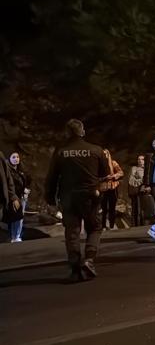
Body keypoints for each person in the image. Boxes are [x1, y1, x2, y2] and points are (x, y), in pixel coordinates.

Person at [45, 119, 109, 282]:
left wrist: (50, 198)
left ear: (68, 133)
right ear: (82, 132)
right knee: (95, 227)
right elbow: (105, 173)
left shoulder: (61, 152)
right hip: (90, 195)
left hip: (68, 197)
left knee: (72, 232)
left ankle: (75, 267)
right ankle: (89, 258)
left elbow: (52, 177)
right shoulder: (96, 150)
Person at [3, 152, 26, 242]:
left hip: (21, 196)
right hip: (13, 197)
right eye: (13, 157)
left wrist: (25, 189)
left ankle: (17, 235)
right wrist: (13, 197)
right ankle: (14, 236)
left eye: (17, 157)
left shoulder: (20, 169)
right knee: (15, 216)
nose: (16, 159)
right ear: (9, 159)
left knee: (20, 217)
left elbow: (25, 180)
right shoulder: (7, 170)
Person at [100, 149, 123, 230]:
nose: (105, 155)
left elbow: (121, 172)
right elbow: (95, 176)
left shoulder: (113, 163)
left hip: (113, 187)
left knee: (112, 207)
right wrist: (104, 178)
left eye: (106, 154)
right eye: (103, 154)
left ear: (109, 154)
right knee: (103, 208)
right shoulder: (99, 164)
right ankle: (103, 225)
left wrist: (113, 176)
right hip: (103, 188)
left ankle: (112, 225)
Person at [128, 155, 145, 226]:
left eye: (142, 159)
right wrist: (142, 181)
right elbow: (131, 180)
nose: (140, 161)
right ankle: (135, 225)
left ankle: (144, 223)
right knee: (136, 208)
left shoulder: (147, 169)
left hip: (146, 191)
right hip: (136, 191)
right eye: (138, 159)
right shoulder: (134, 168)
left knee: (143, 208)